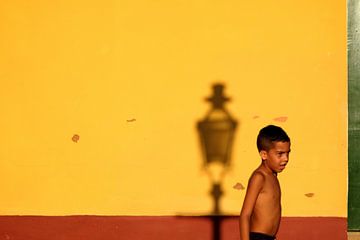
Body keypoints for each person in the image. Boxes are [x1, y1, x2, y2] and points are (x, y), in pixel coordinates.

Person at [239, 125, 291, 240]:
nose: (286, 158)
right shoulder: (259, 177)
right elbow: (245, 215)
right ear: (264, 155)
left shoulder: (273, 175)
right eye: (280, 154)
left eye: (288, 153)